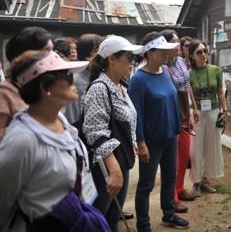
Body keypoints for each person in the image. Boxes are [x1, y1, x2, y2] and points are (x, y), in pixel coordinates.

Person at [0, 51, 110, 231]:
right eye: (67, 76)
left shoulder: (60, 120)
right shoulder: (22, 140)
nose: (73, 80)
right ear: (45, 87)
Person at [81, 35, 142, 232]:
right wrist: (114, 170)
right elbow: (95, 131)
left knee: (112, 217)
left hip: (120, 162)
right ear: (111, 59)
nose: (132, 64)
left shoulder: (121, 86)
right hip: (106, 168)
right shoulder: (100, 88)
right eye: (128, 58)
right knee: (100, 219)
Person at [129, 32, 189, 231]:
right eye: (162, 50)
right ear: (150, 52)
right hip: (152, 141)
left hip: (171, 136)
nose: (167, 54)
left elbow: (173, 100)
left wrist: (180, 126)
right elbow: (135, 113)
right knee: (146, 184)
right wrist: (140, 142)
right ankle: (143, 225)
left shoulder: (166, 72)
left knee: (170, 177)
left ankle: (169, 214)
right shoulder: (138, 79)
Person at [160, 30, 198, 214]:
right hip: (171, 116)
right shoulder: (162, 67)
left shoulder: (182, 62)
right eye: (173, 41)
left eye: (177, 41)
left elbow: (186, 86)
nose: (177, 44)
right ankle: (172, 198)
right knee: (172, 159)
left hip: (184, 114)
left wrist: (192, 110)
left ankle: (180, 188)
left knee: (184, 155)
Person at [188, 39, 227, 196]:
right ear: (192, 56)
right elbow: (188, 97)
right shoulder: (188, 74)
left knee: (212, 147)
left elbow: (220, 92)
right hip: (197, 113)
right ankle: (196, 182)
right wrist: (192, 112)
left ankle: (205, 180)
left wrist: (225, 111)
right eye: (199, 52)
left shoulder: (216, 70)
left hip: (213, 111)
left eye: (204, 51)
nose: (203, 54)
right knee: (196, 148)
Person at [0, 26, 53, 139]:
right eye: (46, 51)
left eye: (52, 50)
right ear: (23, 55)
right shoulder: (4, 92)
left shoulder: (44, 87)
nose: (52, 56)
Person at [63, 33, 104, 124]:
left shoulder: (104, 75)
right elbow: (73, 115)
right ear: (85, 53)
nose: (100, 55)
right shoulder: (75, 79)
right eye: (96, 51)